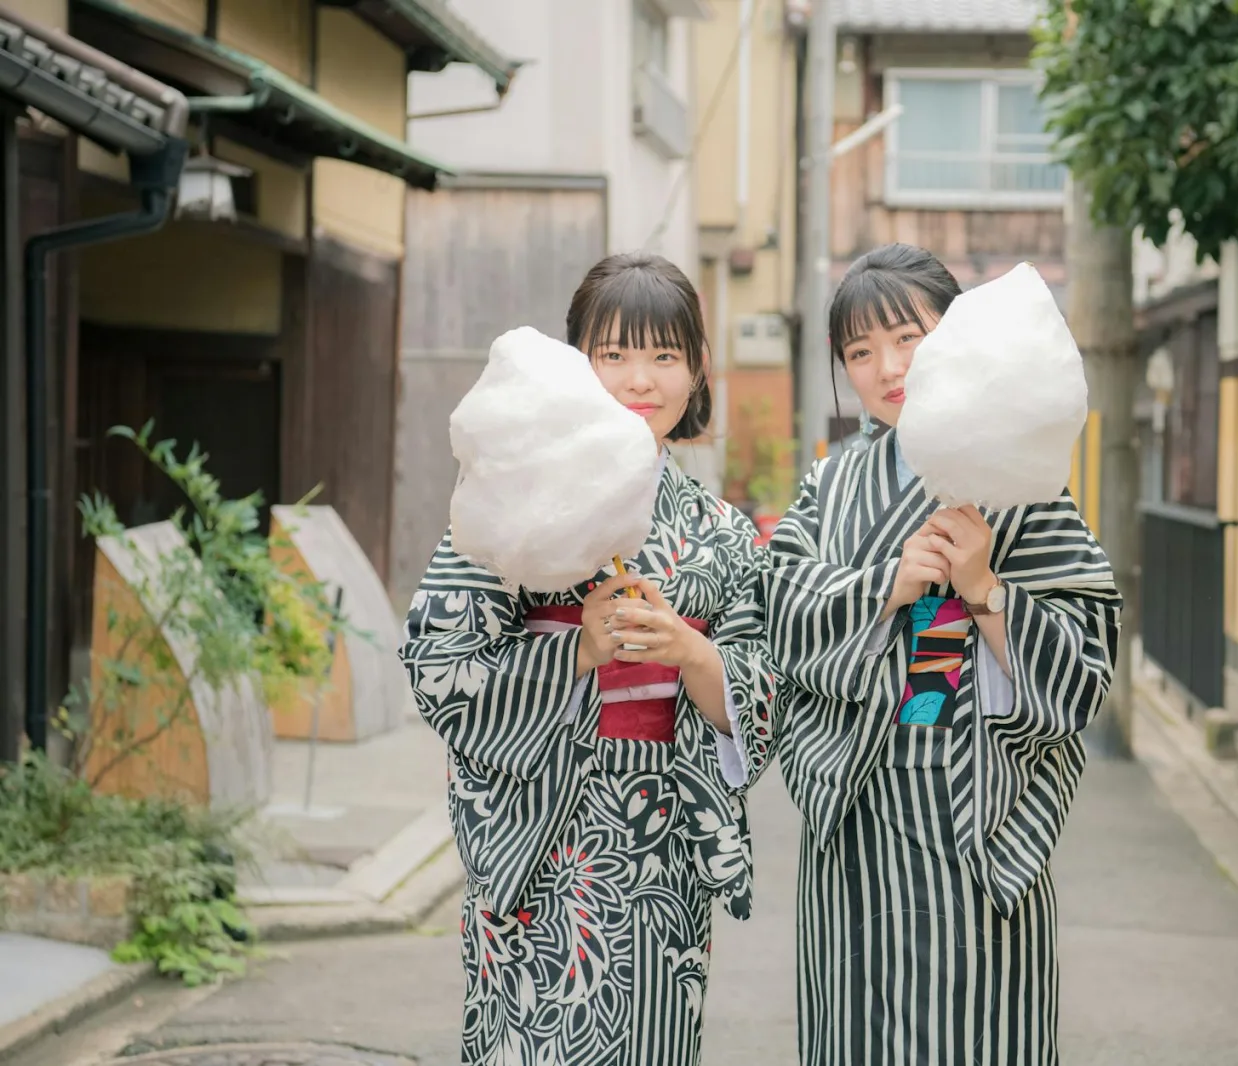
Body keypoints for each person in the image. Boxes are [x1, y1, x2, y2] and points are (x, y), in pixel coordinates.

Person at [401, 252, 779, 1066]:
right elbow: (438, 663)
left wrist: (691, 653)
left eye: (664, 355)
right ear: (577, 364)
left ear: (696, 370)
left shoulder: (719, 531)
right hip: (540, 839)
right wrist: (579, 648)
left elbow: (765, 693)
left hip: (661, 845)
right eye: (614, 355)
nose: (640, 380)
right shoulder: (510, 494)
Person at [759, 243, 1122, 1065]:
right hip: (857, 818)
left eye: (906, 338)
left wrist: (985, 588)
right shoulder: (832, 485)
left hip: (972, 822)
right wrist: (888, 585)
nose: (885, 367)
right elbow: (779, 615)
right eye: (859, 351)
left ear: (955, 337)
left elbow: (1085, 662)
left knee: (979, 1033)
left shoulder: (1025, 482)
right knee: (856, 1033)